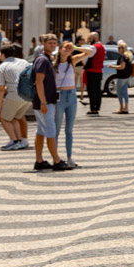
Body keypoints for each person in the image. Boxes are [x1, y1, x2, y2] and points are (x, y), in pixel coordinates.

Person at [54, 39, 92, 169]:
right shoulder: (53, 64)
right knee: (56, 129)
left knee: (69, 130)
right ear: (59, 49)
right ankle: (56, 157)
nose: (68, 50)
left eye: (69, 49)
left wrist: (75, 46)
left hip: (71, 96)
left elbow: (90, 51)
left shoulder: (73, 61)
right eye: (65, 48)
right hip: (59, 96)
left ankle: (69, 157)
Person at [31, 34, 62, 171]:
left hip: (45, 101)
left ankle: (39, 160)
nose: (53, 45)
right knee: (50, 131)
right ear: (43, 43)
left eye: (54, 43)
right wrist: (43, 102)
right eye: (50, 42)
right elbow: (38, 81)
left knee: (41, 131)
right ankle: (57, 161)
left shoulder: (47, 59)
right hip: (44, 102)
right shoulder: (43, 60)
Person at [0, 45, 30, 150]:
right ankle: (19, 141)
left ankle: (14, 140)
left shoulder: (3, 67)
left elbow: (1, 89)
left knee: (4, 117)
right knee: (15, 117)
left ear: (3, 55)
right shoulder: (24, 62)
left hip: (15, 94)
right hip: (28, 95)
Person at [82, 31, 106, 115]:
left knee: (91, 91)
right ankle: (97, 108)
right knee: (98, 90)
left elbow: (86, 57)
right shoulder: (102, 47)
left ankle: (93, 109)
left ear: (94, 38)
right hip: (99, 71)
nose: (89, 40)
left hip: (91, 71)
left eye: (90, 38)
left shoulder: (94, 47)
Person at [113, 40, 134, 114]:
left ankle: (121, 108)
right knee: (125, 92)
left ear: (123, 48)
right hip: (127, 76)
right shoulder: (128, 56)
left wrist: (112, 66)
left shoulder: (122, 56)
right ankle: (126, 108)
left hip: (121, 77)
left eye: (119, 48)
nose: (118, 49)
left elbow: (122, 67)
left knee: (119, 92)